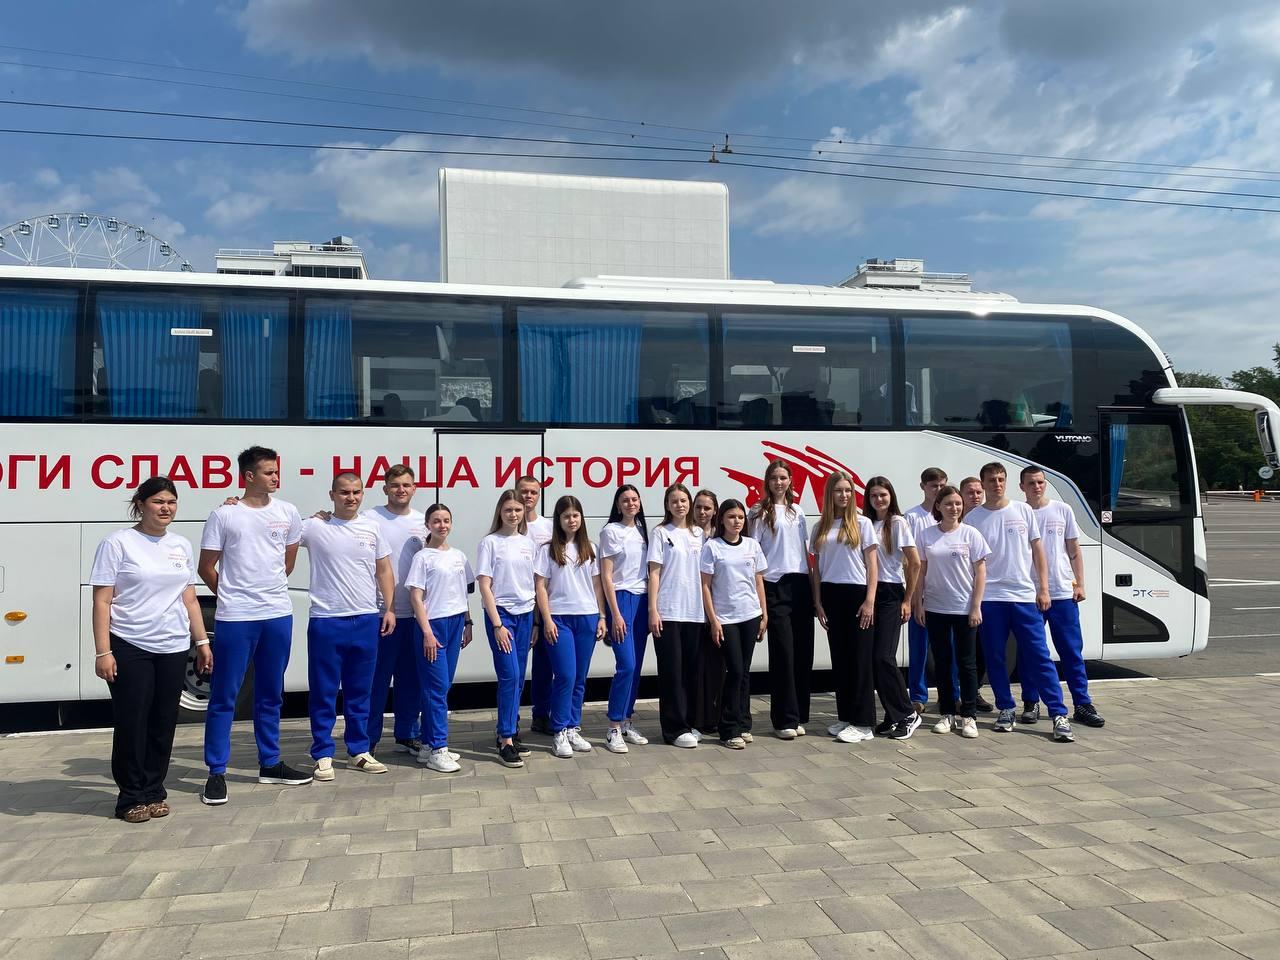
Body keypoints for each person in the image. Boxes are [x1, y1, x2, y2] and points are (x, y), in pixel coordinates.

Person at [91, 477, 211, 822]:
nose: (165, 508)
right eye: (158, 501)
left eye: (171, 502)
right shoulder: (118, 543)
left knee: (163, 721)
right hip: (130, 644)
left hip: (173, 645)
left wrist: (202, 642)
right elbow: (102, 601)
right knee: (133, 721)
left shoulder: (180, 544)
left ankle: (154, 791)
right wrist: (103, 652)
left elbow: (189, 598)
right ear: (140, 504)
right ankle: (130, 798)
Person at [198, 446, 310, 805]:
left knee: (270, 693)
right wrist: (231, 596)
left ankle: (270, 763)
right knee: (224, 695)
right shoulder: (224, 515)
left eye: (276, 471)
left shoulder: (288, 512)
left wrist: (264, 590)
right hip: (236, 617)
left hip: (277, 614)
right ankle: (216, 772)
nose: (276, 477)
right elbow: (206, 567)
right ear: (249, 476)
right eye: (268, 472)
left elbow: (286, 564)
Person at [966, 462, 1075, 742]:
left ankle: (1058, 714)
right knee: (995, 658)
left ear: (1006, 482)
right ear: (983, 483)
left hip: (1024, 596)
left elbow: (1038, 551)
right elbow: (971, 564)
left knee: (1040, 656)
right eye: (992, 480)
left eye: (1001, 479)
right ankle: (1006, 708)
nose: (997, 484)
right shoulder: (973, 518)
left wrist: (1043, 589)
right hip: (990, 599)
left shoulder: (1022, 510)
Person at [298, 472, 396, 780]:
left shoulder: (372, 527)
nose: (350, 497)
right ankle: (323, 753)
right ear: (332, 495)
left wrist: (389, 608)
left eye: (356, 492)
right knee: (323, 692)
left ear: (363, 494)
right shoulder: (314, 527)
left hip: (366, 619)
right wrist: (235, 504)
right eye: (344, 492)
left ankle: (358, 750)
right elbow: (271, 531)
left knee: (360, 692)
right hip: (327, 621)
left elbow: (384, 570)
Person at [1019, 466, 1105, 728]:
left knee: (1071, 651)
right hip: (1029, 593)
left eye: (1040, 482)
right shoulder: (1018, 513)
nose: (1037, 487)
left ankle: (1082, 704)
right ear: (1022, 487)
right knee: (1032, 652)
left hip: (1062, 592)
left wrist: (1080, 584)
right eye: (1031, 483)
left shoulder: (1062, 510)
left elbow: (1074, 550)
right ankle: (1031, 702)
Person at [913, 486, 990, 739]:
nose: (954, 508)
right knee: (943, 662)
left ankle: (969, 715)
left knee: (966, 664)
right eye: (948, 503)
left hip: (964, 609)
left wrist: (976, 606)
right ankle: (947, 713)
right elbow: (920, 572)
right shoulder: (926, 535)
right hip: (935, 608)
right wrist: (918, 603)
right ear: (938, 506)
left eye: (957, 503)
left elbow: (980, 572)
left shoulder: (971, 534)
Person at [535, 495, 608, 759]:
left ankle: (572, 727)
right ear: (559, 519)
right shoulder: (547, 549)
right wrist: (547, 619)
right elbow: (540, 587)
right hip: (559, 619)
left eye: (576, 515)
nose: (572, 520)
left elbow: (597, 585)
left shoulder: (590, 547)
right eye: (566, 516)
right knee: (565, 675)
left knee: (579, 677)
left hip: (587, 617)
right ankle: (559, 730)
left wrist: (602, 616)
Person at [810, 471, 880, 744]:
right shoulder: (820, 526)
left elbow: (872, 565)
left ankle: (863, 723)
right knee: (840, 659)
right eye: (839, 490)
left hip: (857, 593)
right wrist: (818, 602)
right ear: (830, 494)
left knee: (860, 659)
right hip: (831, 594)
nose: (844, 495)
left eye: (848, 490)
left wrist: (870, 600)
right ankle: (846, 716)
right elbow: (816, 569)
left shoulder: (862, 523)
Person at [407, 503, 476, 773]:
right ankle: (439, 749)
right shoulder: (422, 557)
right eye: (436, 521)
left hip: (456, 622)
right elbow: (416, 597)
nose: (442, 525)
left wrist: (468, 622)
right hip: (432, 624)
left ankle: (426, 744)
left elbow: (463, 592)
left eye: (446, 520)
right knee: (435, 688)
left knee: (442, 685)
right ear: (428, 525)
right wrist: (426, 632)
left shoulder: (459, 556)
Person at [366, 464, 428, 758]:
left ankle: (407, 734)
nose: (400, 490)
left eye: (406, 485)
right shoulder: (370, 518)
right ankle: (368, 739)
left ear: (414, 488)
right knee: (376, 681)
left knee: (410, 680)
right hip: (381, 614)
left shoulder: (423, 522)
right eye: (395, 485)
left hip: (414, 615)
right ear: (385, 489)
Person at [749, 459, 814, 740]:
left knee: (803, 653)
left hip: (800, 584)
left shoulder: (797, 512)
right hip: (774, 585)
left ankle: (798, 714)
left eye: (783, 477)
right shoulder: (758, 512)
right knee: (783, 653)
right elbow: (753, 554)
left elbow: (804, 552)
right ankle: (783, 719)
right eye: (774, 477)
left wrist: (814, 592)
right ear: (767, 481)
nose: (779, 482)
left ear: (790, 481)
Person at [699, 499, 767, 749]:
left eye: (740, 517)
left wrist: (764, 614)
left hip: (750, 614)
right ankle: (728, 729)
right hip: (726, 619)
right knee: (735, 670)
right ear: (722, 520)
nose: (736, 521)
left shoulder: (752, 545)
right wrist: (713, 620)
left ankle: (743, 723)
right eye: (731, 517)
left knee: (745, 672)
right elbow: (705, 586)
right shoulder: (712, 547)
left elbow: (758, 581)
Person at [477, 490, 536, 768]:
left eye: (518, 510)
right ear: (500, 512)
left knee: (519, 677)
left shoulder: (528, 543)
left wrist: (536, 622)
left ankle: (510, 728)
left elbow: (535, 583)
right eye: (508, 510)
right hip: (502, 616)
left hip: (526, 614)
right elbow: (484, 585)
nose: (513, 514)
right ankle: (505, 739)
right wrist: (497, 624)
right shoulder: (490, 542)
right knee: (509, 675)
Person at [862, 476, 922, 739]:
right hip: (868, 593)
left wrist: (907, 599)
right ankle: (892, 714)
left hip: (890, 593)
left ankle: (908, 713)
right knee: (873, 659)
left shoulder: (897, 523)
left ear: (891, 496)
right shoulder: (864, 522)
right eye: (874, 495)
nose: (879, 499)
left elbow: (914, 563)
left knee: (883, 657)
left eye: (883, 495)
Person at [648, 482, 706, 747]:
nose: (679, 505)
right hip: (669, 611)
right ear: (667, 505)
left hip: (695, 612)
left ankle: (689, 724)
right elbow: (654, 573)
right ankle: (673, 730)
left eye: (683, 500)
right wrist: (653, 610)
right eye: (674, 501)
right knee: (672, 673)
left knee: (691, 672)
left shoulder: (699, 534)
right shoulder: (661, 533)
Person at [599, 485, 651, 753]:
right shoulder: (611, 531)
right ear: (618, 505)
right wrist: (614, 613)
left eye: (634, 499)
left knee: (637, 665)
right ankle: (613, 727)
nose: (631, 504)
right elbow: (606, 575)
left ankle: (627, 720)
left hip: (642, 600)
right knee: (626, 665)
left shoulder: (643, 530)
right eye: (625, 500)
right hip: (622, 600)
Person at [901, 467, 956, 715]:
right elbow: (908, 561)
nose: (938, 489)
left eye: (942, 485)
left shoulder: (951, 515)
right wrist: (913, 596)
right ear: (923, 486)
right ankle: (918, 696)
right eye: (934, 486)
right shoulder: (912, 517)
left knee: (949, 649)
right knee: (919, 649)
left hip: (947, 595)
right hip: (921, 593)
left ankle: (952, 695)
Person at [519, 475, 557, 737]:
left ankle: (541, 715)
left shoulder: (548, 527)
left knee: (545, 664)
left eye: (533, 492)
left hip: (544, 602)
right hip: (520, 604)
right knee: (516, 667)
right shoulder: (510, 523)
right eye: (524, 491)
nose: (528, 496)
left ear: (539, 495)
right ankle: (510, 723)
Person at [690, 489, 725, 738]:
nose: (702, 512)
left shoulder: (721, 537)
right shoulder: (687, 534)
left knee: (716, 666)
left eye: (707, 508)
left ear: (715, 511)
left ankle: (715, 717)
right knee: (696, 666)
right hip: (692, 608)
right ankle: (697, 718)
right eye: (698, 507)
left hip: (718, 609)